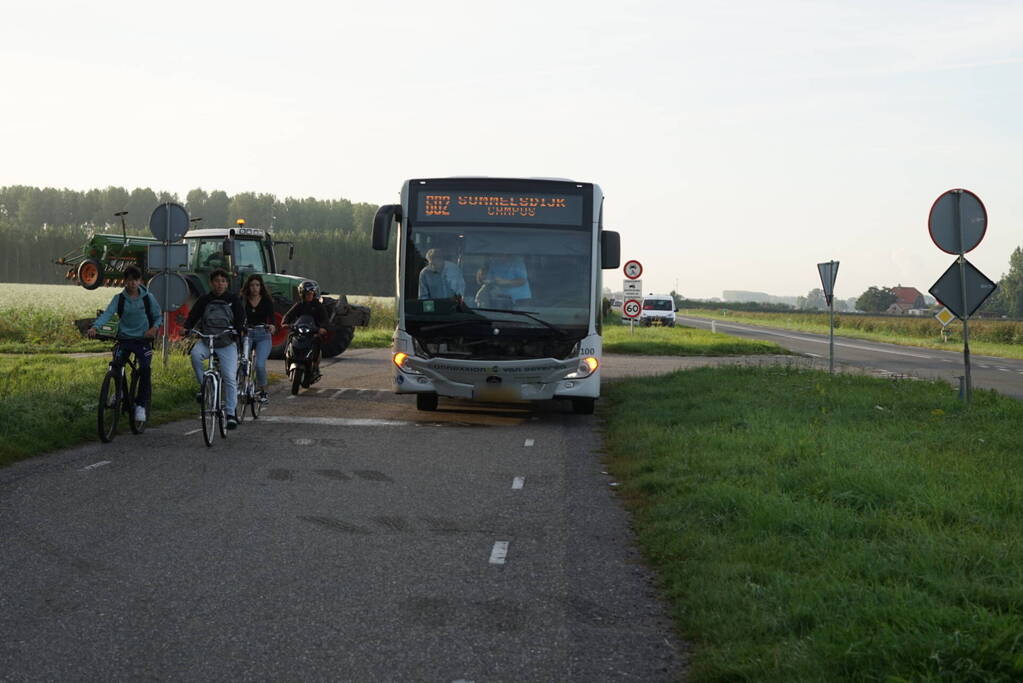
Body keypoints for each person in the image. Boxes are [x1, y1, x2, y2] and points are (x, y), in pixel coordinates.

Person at [87, 265, 162, 423]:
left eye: (135, 280)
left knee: (145, 369)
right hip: (124, 339)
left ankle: (140, 405)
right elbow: (108, 314)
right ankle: (119, 391)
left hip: (143, 340)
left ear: (140, 281)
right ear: (125, 281)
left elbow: (157, 316)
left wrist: (154, 329)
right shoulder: (119, 299)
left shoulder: (148, 298)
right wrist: (95, 327)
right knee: (116, 364)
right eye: (129, 280)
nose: (132, 283)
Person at [183, 268, 246, 430]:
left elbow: (240, 318)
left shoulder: (233, 299)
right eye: (217, 281)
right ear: (211, 283)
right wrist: (187, 328)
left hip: (227, 342)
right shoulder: (204, 299)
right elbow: (193, 316)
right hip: (207, 340)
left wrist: (239, 330)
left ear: (227, 284)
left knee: (229, 377)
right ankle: (205, 387)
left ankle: (231, 414)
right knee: (195, 355)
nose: (220, 284)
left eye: (223, 281)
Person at [282, 280, 328, 381]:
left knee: (317, 340)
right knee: (291, 336)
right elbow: (289, 315)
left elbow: (325, 319)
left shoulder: (318, 306)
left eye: (311, 293)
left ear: (314, 294)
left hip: (313, 331)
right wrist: (285, 323)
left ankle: (315, 365)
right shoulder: (299, 305)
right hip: (299, 330)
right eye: (307, 294)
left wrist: (322, 328)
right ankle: (287, 358)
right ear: (302, 294)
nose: (309, 296)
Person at [242, 273, 276, 403]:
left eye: (257, 285)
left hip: (263, 335)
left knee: (260, 365)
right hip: (247, 334)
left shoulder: (267, 300)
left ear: (261, 286)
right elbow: (238, 316)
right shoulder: (243, 300)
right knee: (243, 362)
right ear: (248, 286)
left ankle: (263, 391)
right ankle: (242, 387)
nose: (254, 288)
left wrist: (272, 325)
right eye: (252, 285)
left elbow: (272, 317)